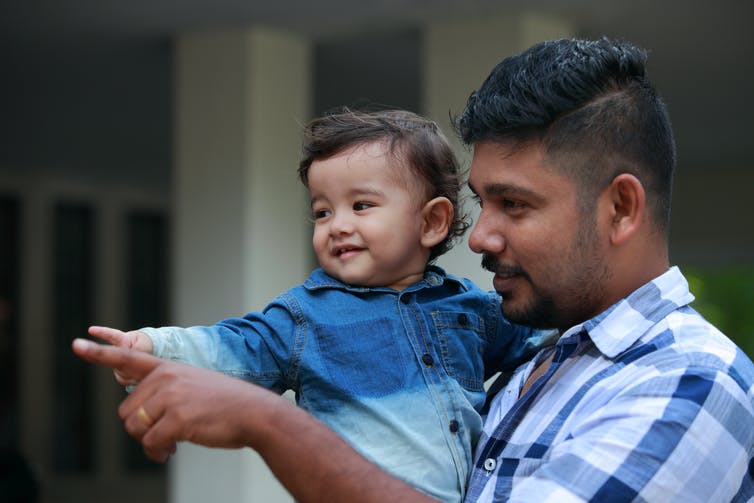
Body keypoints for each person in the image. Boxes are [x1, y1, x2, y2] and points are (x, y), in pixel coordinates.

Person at [73, 37, 754, 502]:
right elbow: (243, 343)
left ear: (621, 206)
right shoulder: (543, 359)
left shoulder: (691, 382)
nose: (480, 235)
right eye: (483, 201)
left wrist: (270, 423)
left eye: (514, 204)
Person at [86, 109, 550, 502]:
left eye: (361, 205)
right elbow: (236, 347)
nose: (337, 226)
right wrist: (152, 348)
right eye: (323, 211)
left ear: (431, 222)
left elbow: (550, 332)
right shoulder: (306, 317)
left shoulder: (470, 309)